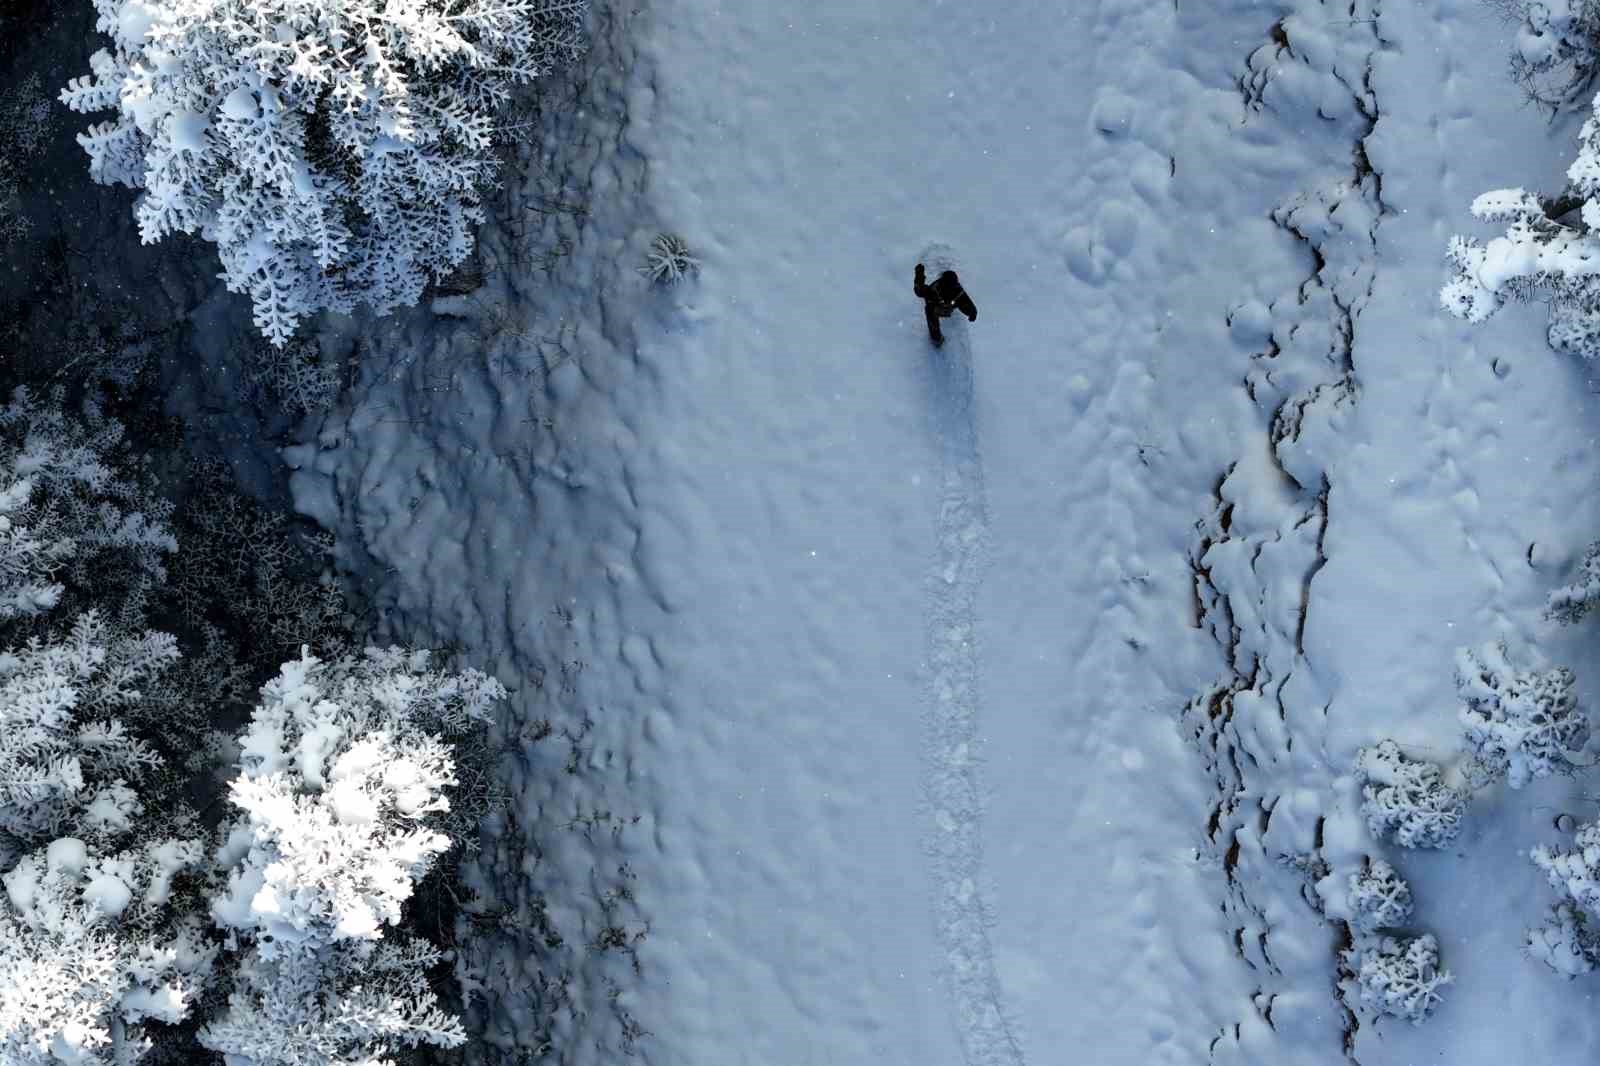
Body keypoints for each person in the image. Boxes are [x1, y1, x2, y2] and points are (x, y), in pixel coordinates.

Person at [914, 262, 977, 348]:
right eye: (949, 286)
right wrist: (919, 275)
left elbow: (966, 301)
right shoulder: (934, 290)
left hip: (949, 307)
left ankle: (938, 333)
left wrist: (972, 312)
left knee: (960, 300)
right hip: (935, 306)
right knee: (929, 309)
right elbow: (919, 290)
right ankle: (937, 338)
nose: (951, 289)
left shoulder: (957, 290)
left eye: (953, 286)